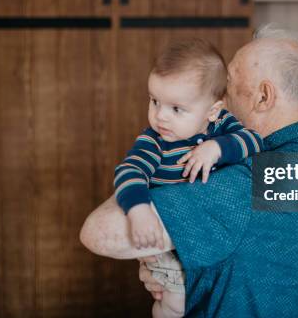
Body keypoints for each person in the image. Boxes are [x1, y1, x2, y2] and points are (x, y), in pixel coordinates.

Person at [80, 24, 298, 317]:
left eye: (229, 81)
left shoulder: (249, 182)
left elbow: (97, 231)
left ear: (263, 97)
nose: (219, 97)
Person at [112, 38, 263, 318]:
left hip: (212, 240)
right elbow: (129, 171)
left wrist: (216, 148)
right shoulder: (154, 142)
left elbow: (253, 140)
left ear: (213, 110)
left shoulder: (222, 126)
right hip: (174, 243)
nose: (160, 117)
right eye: (154, 101)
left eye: (176, 108)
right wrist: (139, 210)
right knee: (177, 305)